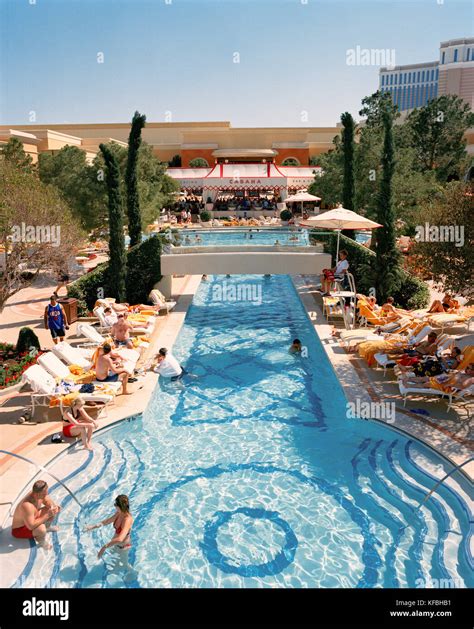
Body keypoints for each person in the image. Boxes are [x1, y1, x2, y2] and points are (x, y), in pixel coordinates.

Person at [11, 480, 61, 549]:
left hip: (30, 519)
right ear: (36, 494)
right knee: (41, 529)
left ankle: (47, 528)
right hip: (20, 530)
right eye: (44, 494)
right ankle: (41, 541)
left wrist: (53, 507)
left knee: (51, 510)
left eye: (46, 492)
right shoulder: (27, 505)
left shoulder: (39, 493)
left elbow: (48, 501)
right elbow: (31, 526)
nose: (46, 495)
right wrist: (47, 515)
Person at [401, 364, 474, 394]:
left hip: (448, 387)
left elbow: (462, 386)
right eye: (467, 367)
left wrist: (450, 384)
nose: (467, 369)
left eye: (469, 368)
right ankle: (408, 379)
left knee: (427, 384)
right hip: (444, 379)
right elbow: (454, 373)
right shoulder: (463, 372)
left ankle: (409, 386)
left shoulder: (470, 379)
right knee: (426, 378)